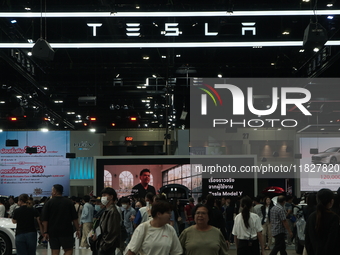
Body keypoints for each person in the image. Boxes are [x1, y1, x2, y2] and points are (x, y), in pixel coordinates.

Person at [41, 184, 80, 255]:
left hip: (53, 231)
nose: (51, 192)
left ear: (55, 191)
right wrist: (78, 229)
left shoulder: (49, 203)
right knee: (68, 250)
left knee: (55, 251)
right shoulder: (69, 202)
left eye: (52, 191)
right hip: (66, 231)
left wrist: (45, 232)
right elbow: (75, 218)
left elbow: (45, 220)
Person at [305, 188, 340, 254]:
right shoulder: (333, 217)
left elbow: (307, 240)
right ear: (332, 201)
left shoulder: (311, 216)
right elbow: (332, 240)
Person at [95, 187, 121, 255]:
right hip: (104, 244)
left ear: (111, 197)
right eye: (102, 195)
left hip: (107, 246)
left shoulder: (113, 212)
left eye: (105, 195)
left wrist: (104, 245)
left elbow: (112, 232)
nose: (102, 198)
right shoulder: (106, 210)